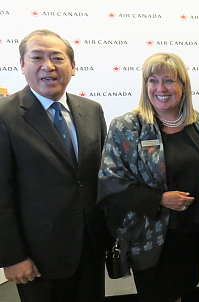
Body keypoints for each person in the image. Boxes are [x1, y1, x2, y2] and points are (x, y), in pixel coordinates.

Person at [0, 29, 110, 301]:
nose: (48, 66)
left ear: (72, 67)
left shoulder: (92, 110)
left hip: (90, 250)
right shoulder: (5, 115)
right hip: (37, 260)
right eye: (37, 57)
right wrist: (12, 257)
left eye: (57, 58)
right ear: (22, 65)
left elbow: (102, 177)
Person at [98, 52, 199, 302]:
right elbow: (110, 180)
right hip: (150, 239)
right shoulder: (128, 126)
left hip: (191, 234)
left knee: (185, 289)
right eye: (153, 81)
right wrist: (160, 198)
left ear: (183, 86)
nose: (161, 88)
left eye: (169, 81)